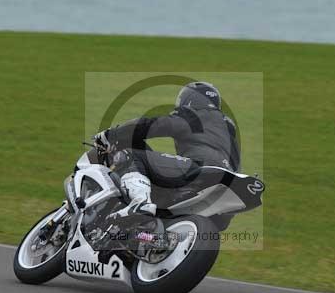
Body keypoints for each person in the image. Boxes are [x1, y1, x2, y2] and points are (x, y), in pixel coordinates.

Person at [94, 81, 240, 218]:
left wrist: (112, 134)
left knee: (132, 156)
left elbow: (156, 125)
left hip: (199, 169)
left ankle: (140, 202)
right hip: (225, 186)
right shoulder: (227, 130)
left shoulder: (194, 115)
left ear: (190, 100)